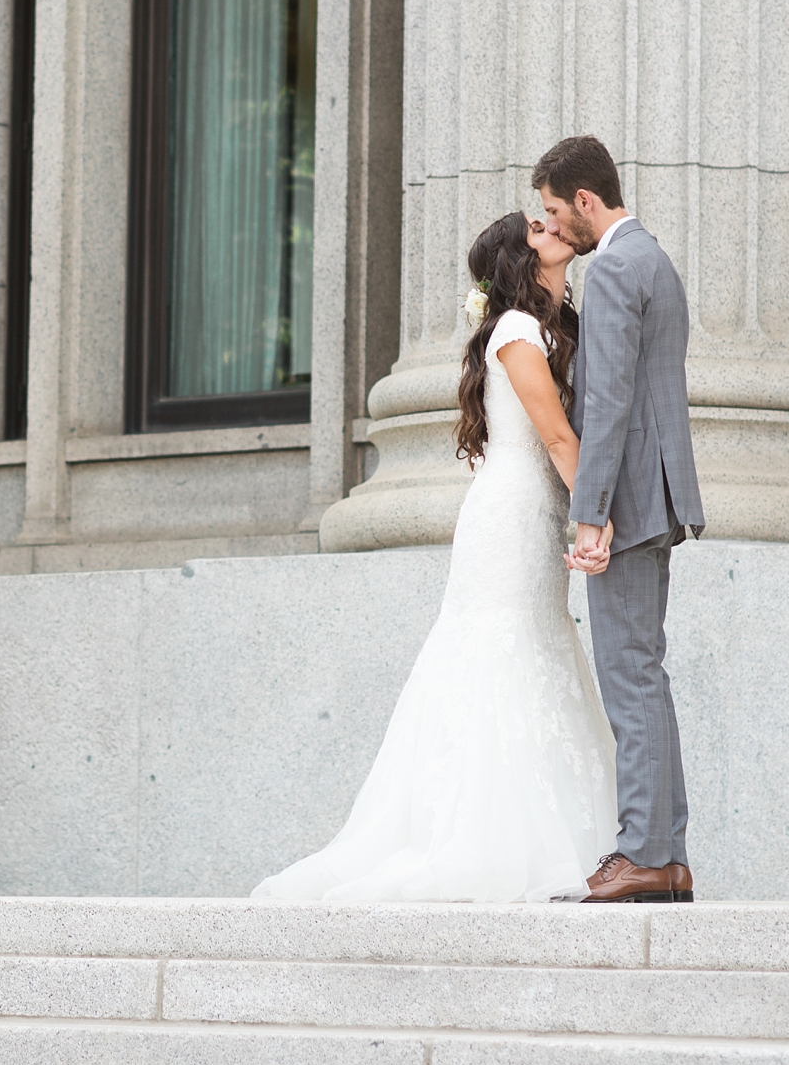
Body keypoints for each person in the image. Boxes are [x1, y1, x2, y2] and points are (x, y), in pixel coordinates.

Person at [252, 210, 617, 903]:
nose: (552, 229)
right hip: (511, 513)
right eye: (536, 229)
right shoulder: (515, 332)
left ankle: (561, 836)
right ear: (519, 258)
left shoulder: (548, 327)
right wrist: (594, 519)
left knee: (538, 647)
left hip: (529, 507)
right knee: (501, 650)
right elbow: (559, 438)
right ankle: (486, 839)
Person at [534, 134, 703, 904]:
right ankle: (664, 856)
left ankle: (642, 852)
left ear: (586, 201)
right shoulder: (656, 261)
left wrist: (588, 514)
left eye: (554, 211)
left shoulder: (608, 272)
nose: (555, 226)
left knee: (628, 677)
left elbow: (605, 404)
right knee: (647, 674)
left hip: (627, 501)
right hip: (662, 493)